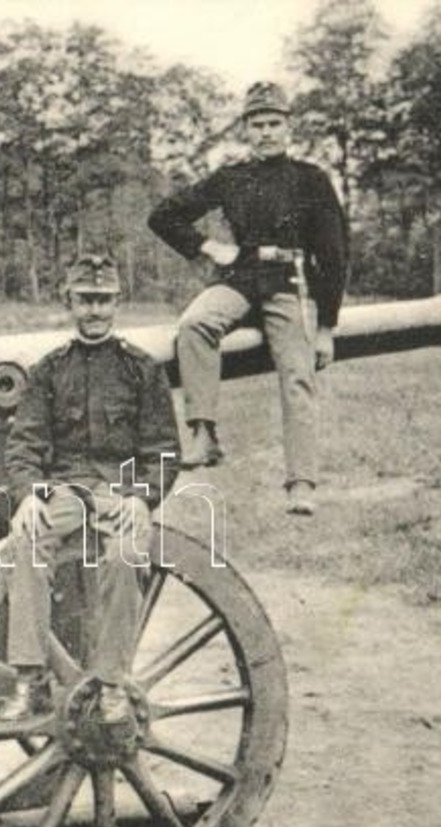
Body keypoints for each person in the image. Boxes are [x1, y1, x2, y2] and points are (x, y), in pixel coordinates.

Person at [147, 80, 348, 516]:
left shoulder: (311, 179)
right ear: (245, 129)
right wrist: (206, 247)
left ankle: (301, 481)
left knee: (297, 375)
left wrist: (327, 328)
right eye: (257, 124)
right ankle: (204, 434)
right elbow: (163, 216)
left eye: (274, 123)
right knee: (194, 324)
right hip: (241, 278)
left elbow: (333, 254)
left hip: (290, 283)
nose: (266, 132)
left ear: (288, 126)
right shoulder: (232, 178)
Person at [0, 255, 182, 722]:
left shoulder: (142, 370)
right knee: (27, 539)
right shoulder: (48, 371)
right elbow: (25, 445)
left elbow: (163, 449)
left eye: (103, 300)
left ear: (117, 302)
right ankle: (29, 676)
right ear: (69, 303)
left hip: (120, 493)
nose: (94, 311)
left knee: (124, 556)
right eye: (85, 300)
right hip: (65, 492)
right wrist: (28, 496)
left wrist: (142, 499)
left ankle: (111, 681)